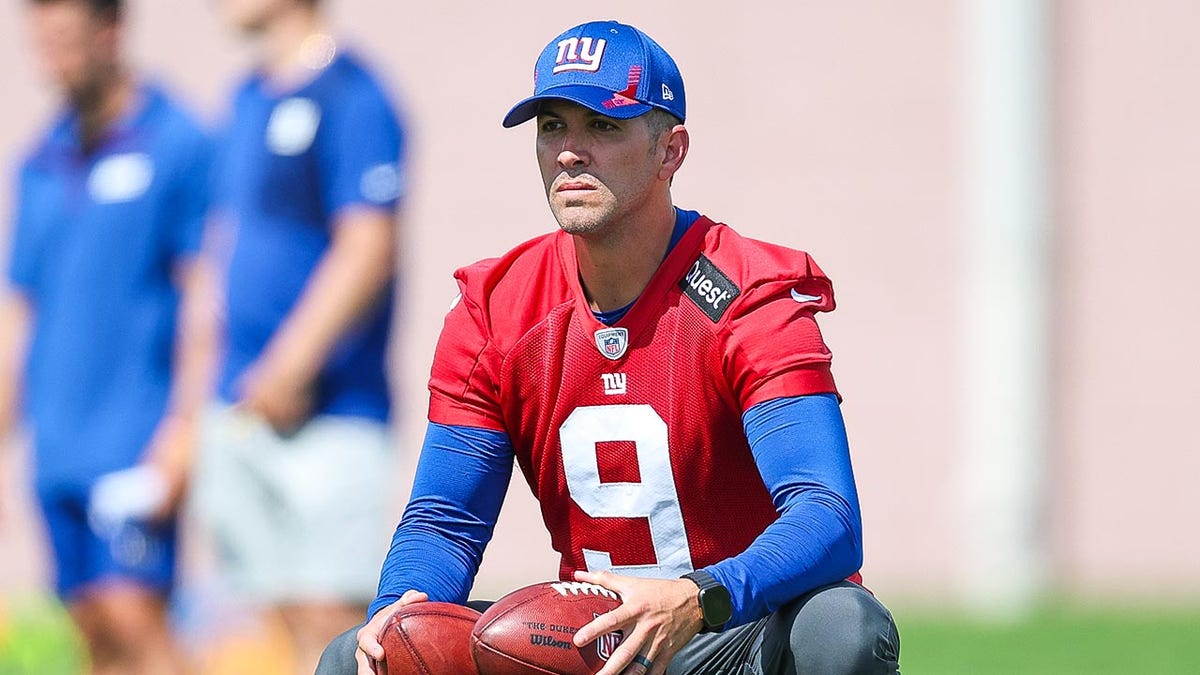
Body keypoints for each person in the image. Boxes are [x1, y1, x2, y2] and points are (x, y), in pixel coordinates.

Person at [321, 19, 900, 675]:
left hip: (732, 631)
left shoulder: (745, 294)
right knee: (363, 653)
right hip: (589, 641)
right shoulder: (497, 305)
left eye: (602, 126)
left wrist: (699, 595)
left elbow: (826, 514)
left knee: (841, 626)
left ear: (670, 151)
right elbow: (445, 521)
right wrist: (401, 610)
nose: (570, 151)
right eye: (552, 127)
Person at [0, 0, 212, 673]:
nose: (51, 61)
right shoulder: (40, 159)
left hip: (133, 435)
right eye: (42, 44)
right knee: (91, 628)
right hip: (56, 443)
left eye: (64, 41)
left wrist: (184, 429)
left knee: (135, 616)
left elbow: (205, 293)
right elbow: (19, 313)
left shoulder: (176, 140)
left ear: (110, 31)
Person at [196, 0, 407, 672]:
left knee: (332, 622)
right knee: (271, 615)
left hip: (329, 408)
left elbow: (369, 244)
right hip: (242, 402)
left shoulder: (354, 95)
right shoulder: (244, 99)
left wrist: (290, 365)